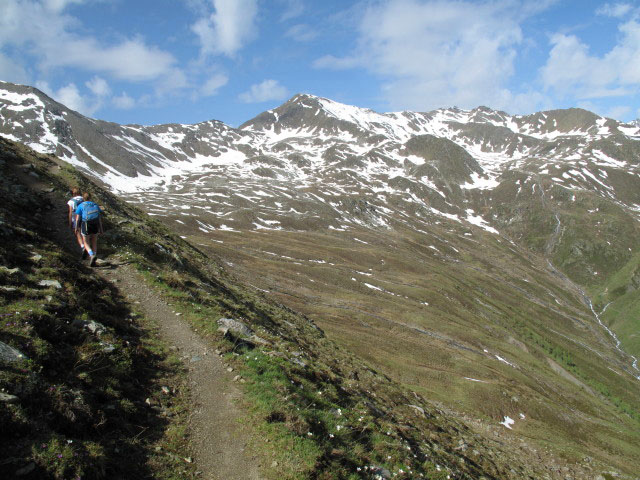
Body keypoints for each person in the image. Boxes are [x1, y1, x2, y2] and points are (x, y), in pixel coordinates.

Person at [75, 192, 103, 267]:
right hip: (95, 225)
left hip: (86, 225)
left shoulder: (81, 205)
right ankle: (94, 256)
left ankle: (91, 255)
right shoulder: (95, 205)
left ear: (83, 198)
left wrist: (76, 227)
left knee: (86, 242)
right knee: (94, 241)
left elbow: (77, 218)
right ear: (90, 197)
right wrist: (101, 229)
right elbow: (99, 218)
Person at [67, 188, 85, 258]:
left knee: (77, 232)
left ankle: (82, 246)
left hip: (75, 219)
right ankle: (87, 246)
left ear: (73, 193)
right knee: (84, 233)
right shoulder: (83, 199)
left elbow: (70, 213)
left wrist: (70, 223)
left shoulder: (71, 201)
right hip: (84, 217)